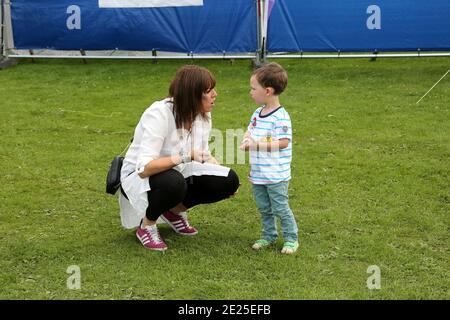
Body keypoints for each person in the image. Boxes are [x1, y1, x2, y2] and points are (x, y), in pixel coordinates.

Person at [120, 65, 240, 251]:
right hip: (139, 176)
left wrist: (224, 178)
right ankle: (147, 225)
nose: (215, 94)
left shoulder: (203, 115)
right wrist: (185, 156)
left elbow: (202, 154)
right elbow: (144, 169)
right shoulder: (159, 113)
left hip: (176, 171)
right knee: (174, 183)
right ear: (192, 95)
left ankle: (173, 213)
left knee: (228, 179)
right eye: (208, 91)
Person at [240, 62, 299, 254]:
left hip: (276, 175)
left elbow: (283, 142)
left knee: (280, 208)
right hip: (258, 173)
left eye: (253, 88)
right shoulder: (257, 113)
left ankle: (291, 238)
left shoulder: (281, 117)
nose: (250, 92)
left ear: (267, 91)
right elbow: (251, 130)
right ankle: (269, 235)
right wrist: (246, 139)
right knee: (264, 208)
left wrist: (256, 145)